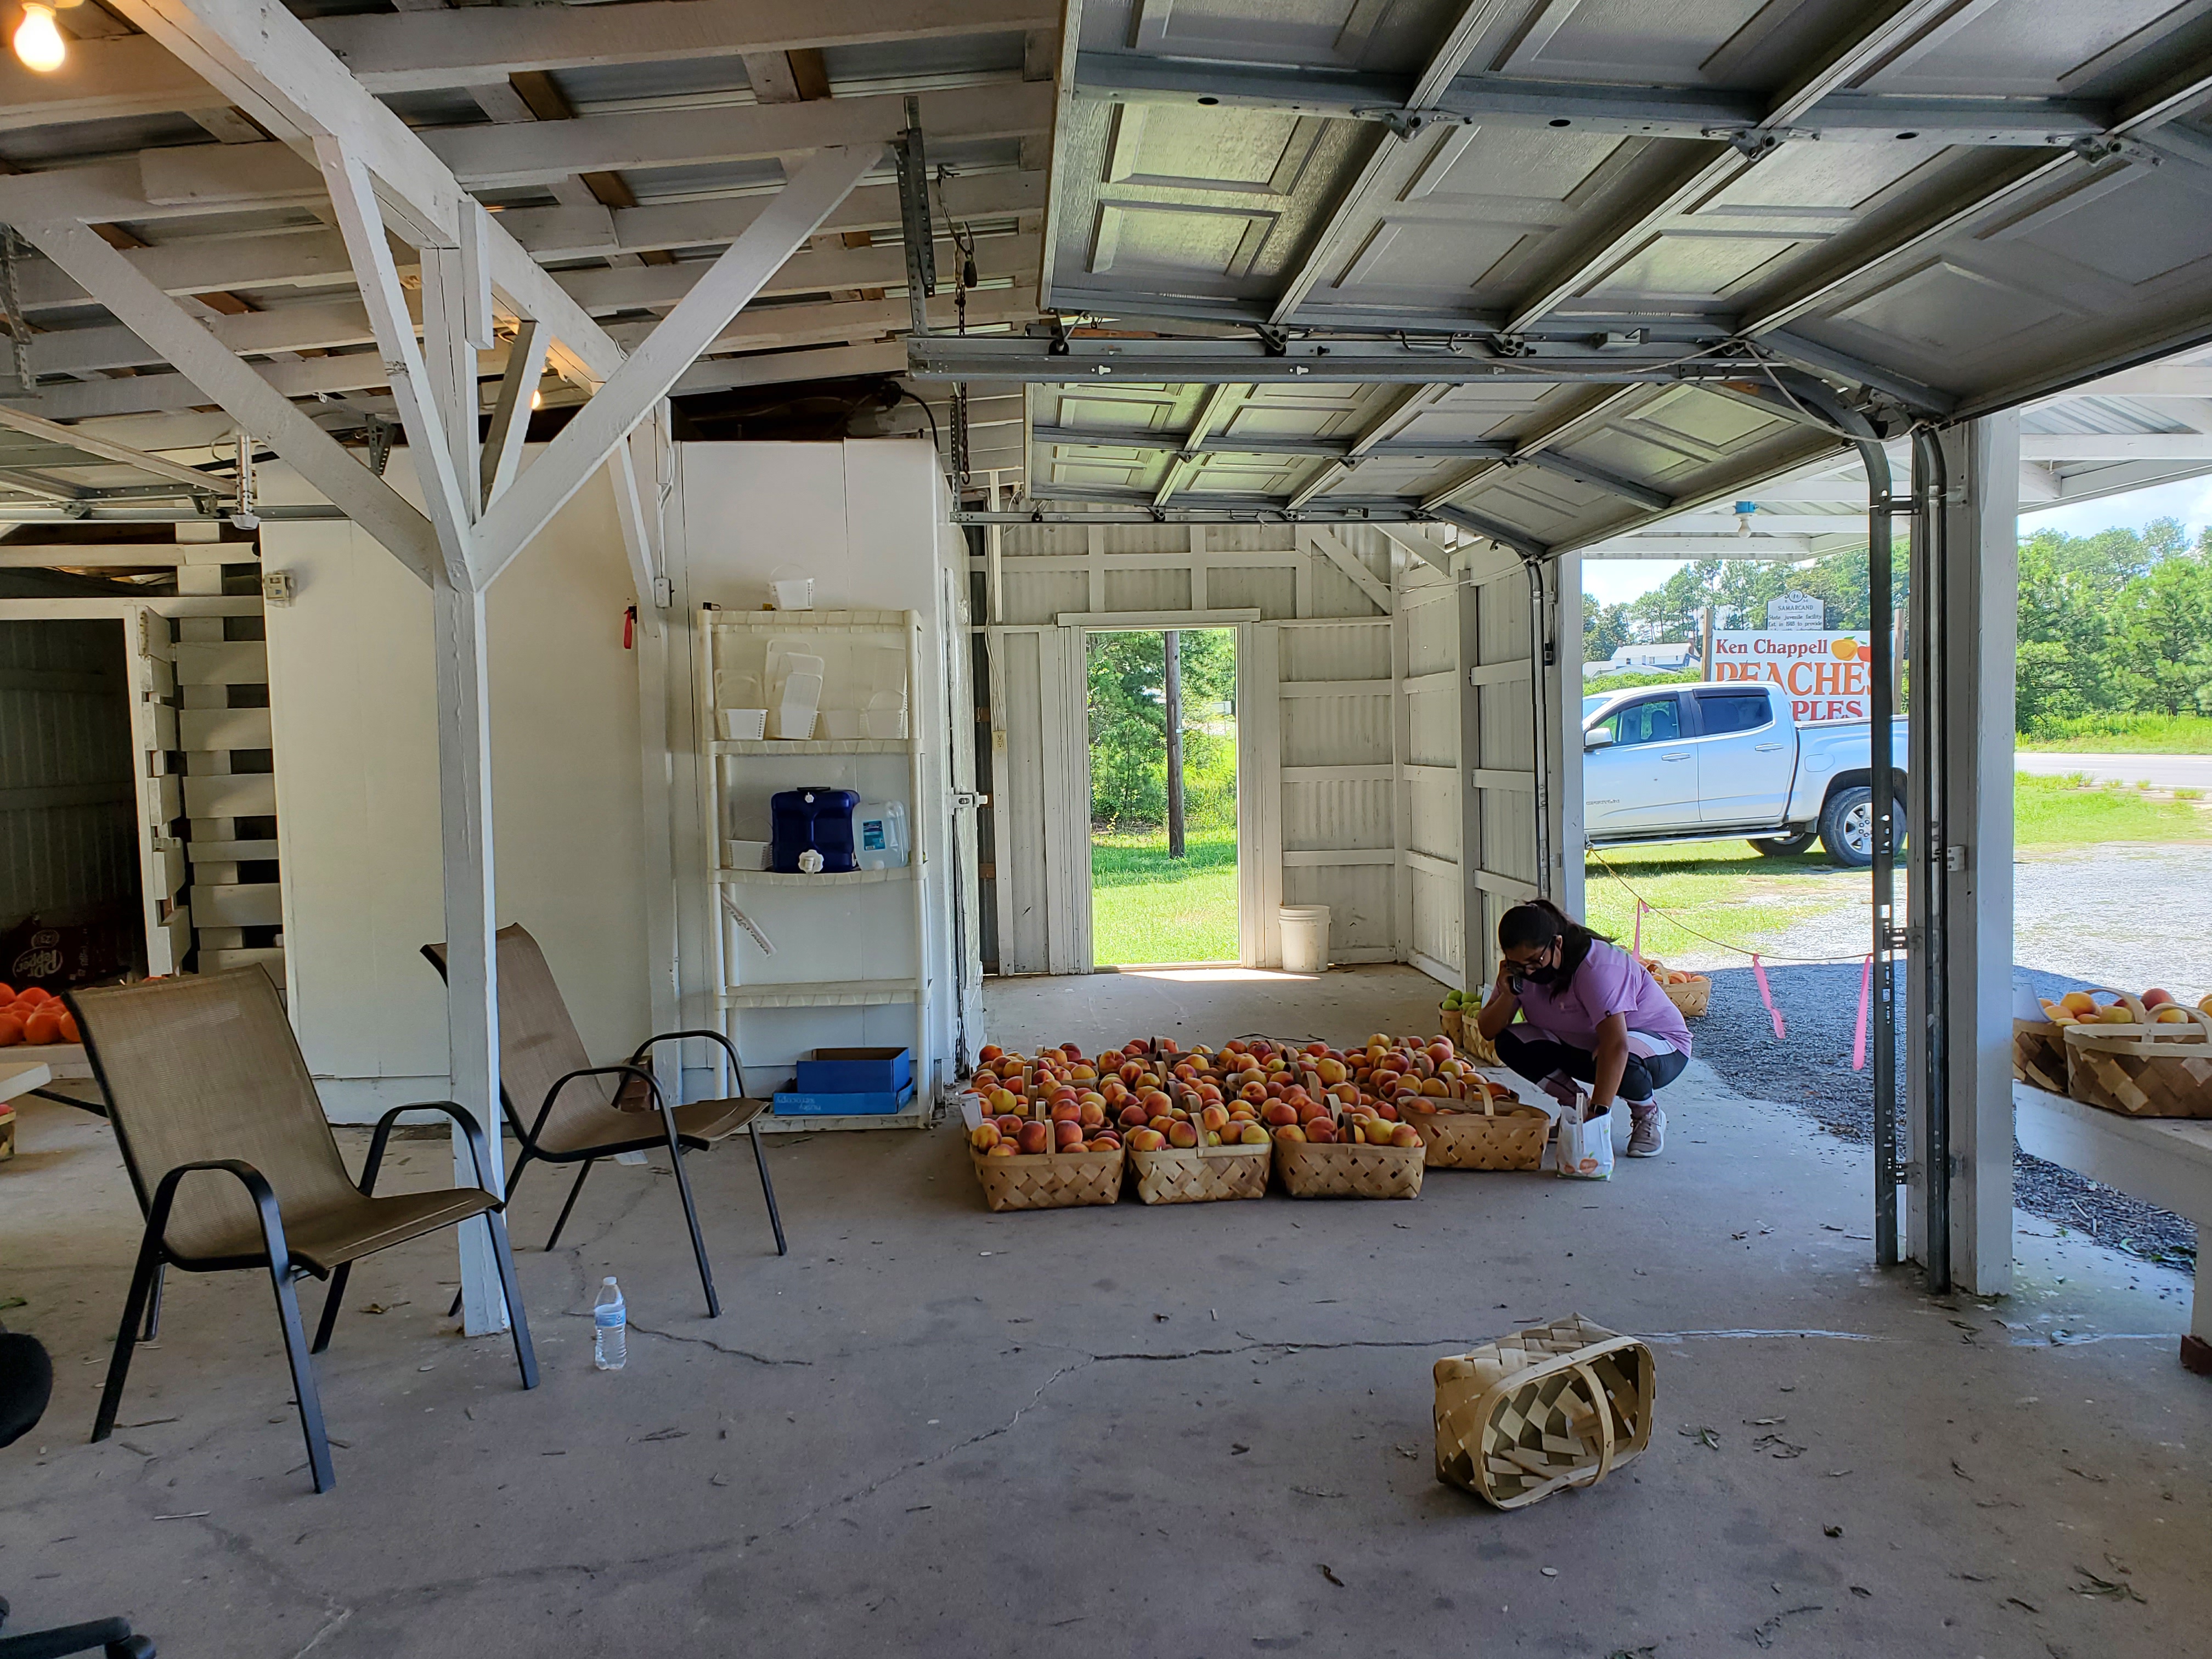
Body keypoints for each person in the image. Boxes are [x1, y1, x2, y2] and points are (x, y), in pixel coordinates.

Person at [1472, 897, 1689, 1158]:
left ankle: (1648, 1113)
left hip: (1660, 1047)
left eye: (1535, 961)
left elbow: (1616, 1046)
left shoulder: (1595, 967)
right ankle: (1574, 1107)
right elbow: (1488, 1030)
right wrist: (1508, 994)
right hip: (1591, 1047)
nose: (1528, 972)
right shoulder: (1518, 972)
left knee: (1618, 1056)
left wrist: (1598, 1116)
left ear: (1557, 944)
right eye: (1518, 965)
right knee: (1510, 1042)